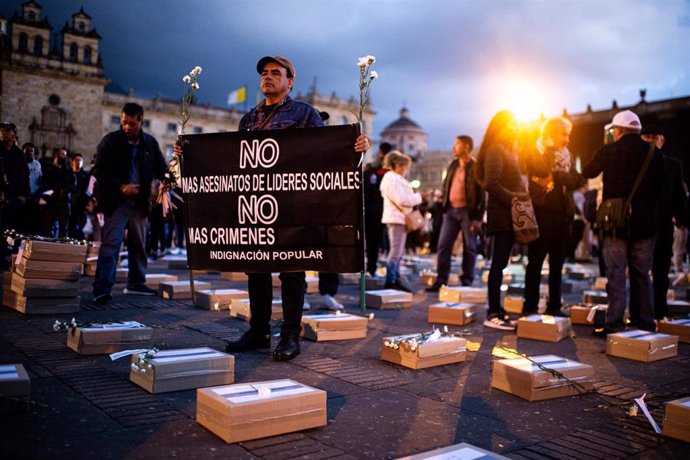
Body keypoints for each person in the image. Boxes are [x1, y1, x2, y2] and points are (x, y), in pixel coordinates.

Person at [216, 56, 369, 361]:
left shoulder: (304, 113)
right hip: (256, 204)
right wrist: (190, 153)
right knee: (256, 269)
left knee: (292, 271)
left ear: (290, 82)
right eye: (264, 73)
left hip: (293, 206)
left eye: (276, 73)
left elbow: (324, 152)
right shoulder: (249, 119)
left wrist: (355, 147)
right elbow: (235, 161)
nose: (267, 77)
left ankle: (289, 335)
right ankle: (258, 331)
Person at [582, 110, 663, 334]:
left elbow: (588, 171)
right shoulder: (653, 153)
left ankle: (615, 323)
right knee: (642, 274)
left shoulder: (610, 150)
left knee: (616, 273)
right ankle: (644, 322)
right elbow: (662, 188)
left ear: (617, 130)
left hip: (616, 223)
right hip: (646, 224)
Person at [92, 102, 167, 305]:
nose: (127, 127)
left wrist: (159, 182)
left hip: (140, 202)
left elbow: (162, 168)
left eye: (132, 124)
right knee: (111, 243)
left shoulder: (150, 143)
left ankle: (136, 283)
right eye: (124, 123)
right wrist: (121, 186)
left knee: (139, 244)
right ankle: (102, 287)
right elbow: (98, 170)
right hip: (116, 201)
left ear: (141, 121)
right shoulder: (110, 141)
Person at [522, 117, 584, 316]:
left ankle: (554, 306)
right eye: (563, 134)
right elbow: (541, 170)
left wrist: (556, 176)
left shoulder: (567, 155)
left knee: (558, 264)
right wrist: (552, 162)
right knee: (536, 261)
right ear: (551, 134)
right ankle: (530, 306)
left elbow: (576, 180)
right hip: (541, 212)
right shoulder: (536, 151)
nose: (567, 139)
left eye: (569, 135)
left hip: (563, 214)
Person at [474, 110, 524, 331]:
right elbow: (491, 184)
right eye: (511, 125)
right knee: (497, 264)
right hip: (501, 215)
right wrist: (515, 198)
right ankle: (493, 312)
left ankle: (497, 309)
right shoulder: (496, 150)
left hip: (508, 215)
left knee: (501, 264)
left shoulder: (506, 150)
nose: (515, 128)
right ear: (500, 127)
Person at [630, 125, 685, 322]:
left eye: (655, 137)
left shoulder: (672, 164)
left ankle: (655, 312)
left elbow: (679, 195)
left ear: (662, 140)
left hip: (657, 223)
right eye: (648, 137)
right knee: (643, 270)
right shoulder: (668, 164)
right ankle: (644, 313)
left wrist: (679, 218)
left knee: (657, 270)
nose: (652, 140)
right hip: (646, 223)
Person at [427, 135, 485, 292]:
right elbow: (446, 185)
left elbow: (482, 194)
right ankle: (441, 280)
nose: (453, 148)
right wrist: (444, 201)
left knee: (470, 247)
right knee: (443, 245)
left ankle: (467, 280)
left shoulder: (475, 167)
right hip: (451, 211)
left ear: (466, 147)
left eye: (457, 145)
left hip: (468, 212)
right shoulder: (453, 165)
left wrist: (478, 218)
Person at [379, 150, 423, 292]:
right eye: (404, 166)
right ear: (398, 164)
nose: (406, 169)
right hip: (396, 218)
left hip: (398, 218)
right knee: (396, 251)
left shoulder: (393, 179)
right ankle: (391, 279)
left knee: (398, 250)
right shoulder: (392, 179)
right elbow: (402, 200)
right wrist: (418, 197)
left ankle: (395, 276)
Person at [363, 141, 392, 276]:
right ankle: (386, 270)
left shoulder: (371, 170)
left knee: (373, 241)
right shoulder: (390, 172)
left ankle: (371, 267)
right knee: (385, 241)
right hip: (385, 210)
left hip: (372, 210)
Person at [0, 121, 30, 236]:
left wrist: (24, 194)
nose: (3, 133)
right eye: (2, 130)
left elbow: (25, 175)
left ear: (14, 135)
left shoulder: (19, 154)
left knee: (13, 229)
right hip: (2, 195)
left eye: (6, 131)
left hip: (15, 197)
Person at [41, 147, 71, 238]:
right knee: (48, 226)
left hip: (63, 201)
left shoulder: (68, 170)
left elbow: (72, 184)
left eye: (65, 155)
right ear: (56, 155)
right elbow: (44, 182)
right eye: (62, 154)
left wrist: (64, 190)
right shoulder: (48, 168)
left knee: (63, 227)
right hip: (50, 200)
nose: (64, 157)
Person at [67, 153, 91, 240]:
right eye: (76, 160)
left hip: (81, 204)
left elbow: (87, 189)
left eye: (80, 160)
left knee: (81, 225)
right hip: (69, 203)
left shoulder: (85, 175)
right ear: (72, 162)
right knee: (70, 225)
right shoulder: (68, 174)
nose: (79, 162)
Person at [23, 142, 43, 234]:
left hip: (34, 195)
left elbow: (40, 179)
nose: (30, 153)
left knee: (33, 219)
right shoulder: (20, 163)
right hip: (23, 195)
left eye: (31, 151)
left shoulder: (37, 164)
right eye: (28, 150)